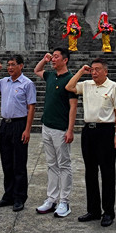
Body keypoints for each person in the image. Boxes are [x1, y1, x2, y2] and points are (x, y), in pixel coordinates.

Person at [66, 58, 116, 227]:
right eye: (92, 69)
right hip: (88, 131)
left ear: (106, 71)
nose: (94, 72)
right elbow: (69, 87)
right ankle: (93, 210)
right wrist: (80, 72)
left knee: (107, 172)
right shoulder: (86, 85)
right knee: (90, 172)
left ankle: (108, 212)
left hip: (106, 131)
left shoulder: (113, 86)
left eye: (97, 69)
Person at [0, 55, 37, 212]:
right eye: (8, 65)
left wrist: (27, 130)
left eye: (13, 64)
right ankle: (8, 195)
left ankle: (19, 197)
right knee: (6, 162)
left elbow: (31, 108)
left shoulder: (27, 84)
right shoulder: (4, 82)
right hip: (5, 124)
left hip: (19, 124)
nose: (10, 67)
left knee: (19, 163)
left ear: (21, 66)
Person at [33, 48, 78, 217]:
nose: (53, 59)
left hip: (61, 128)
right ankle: (51, 199)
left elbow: (73, 106)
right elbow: (37, 70)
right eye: (52, 56)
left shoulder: (70, 80)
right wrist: (44, 60)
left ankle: (64, 201)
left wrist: (70, 129)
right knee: (51, 164)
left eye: (56, 57)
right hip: (47, 126)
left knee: (64, 165)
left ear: (65, 60)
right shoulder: (51, 76)